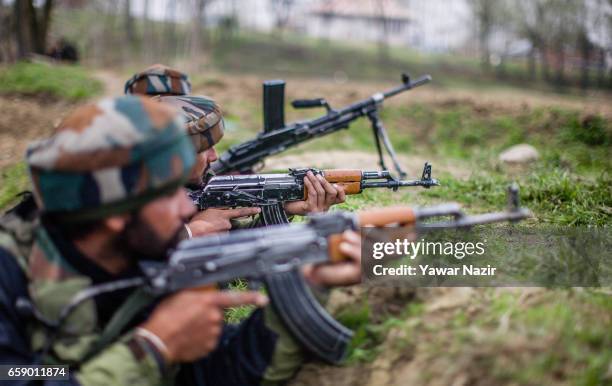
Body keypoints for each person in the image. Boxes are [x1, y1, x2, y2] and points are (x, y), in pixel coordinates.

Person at [0, 96, 362, 385]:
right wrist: (154, 348)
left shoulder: (152, 257)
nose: (183, 207)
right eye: (168, 193)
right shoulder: (10, 274)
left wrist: (304, 286)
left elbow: (222, 373)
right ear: (115, 213)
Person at [125, 65, 345, 237]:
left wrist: (284, 209)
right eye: (205, 149)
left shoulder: (196, 185)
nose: (215, 156)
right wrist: (191, 235)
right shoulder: (120, 194)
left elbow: (237, 242)